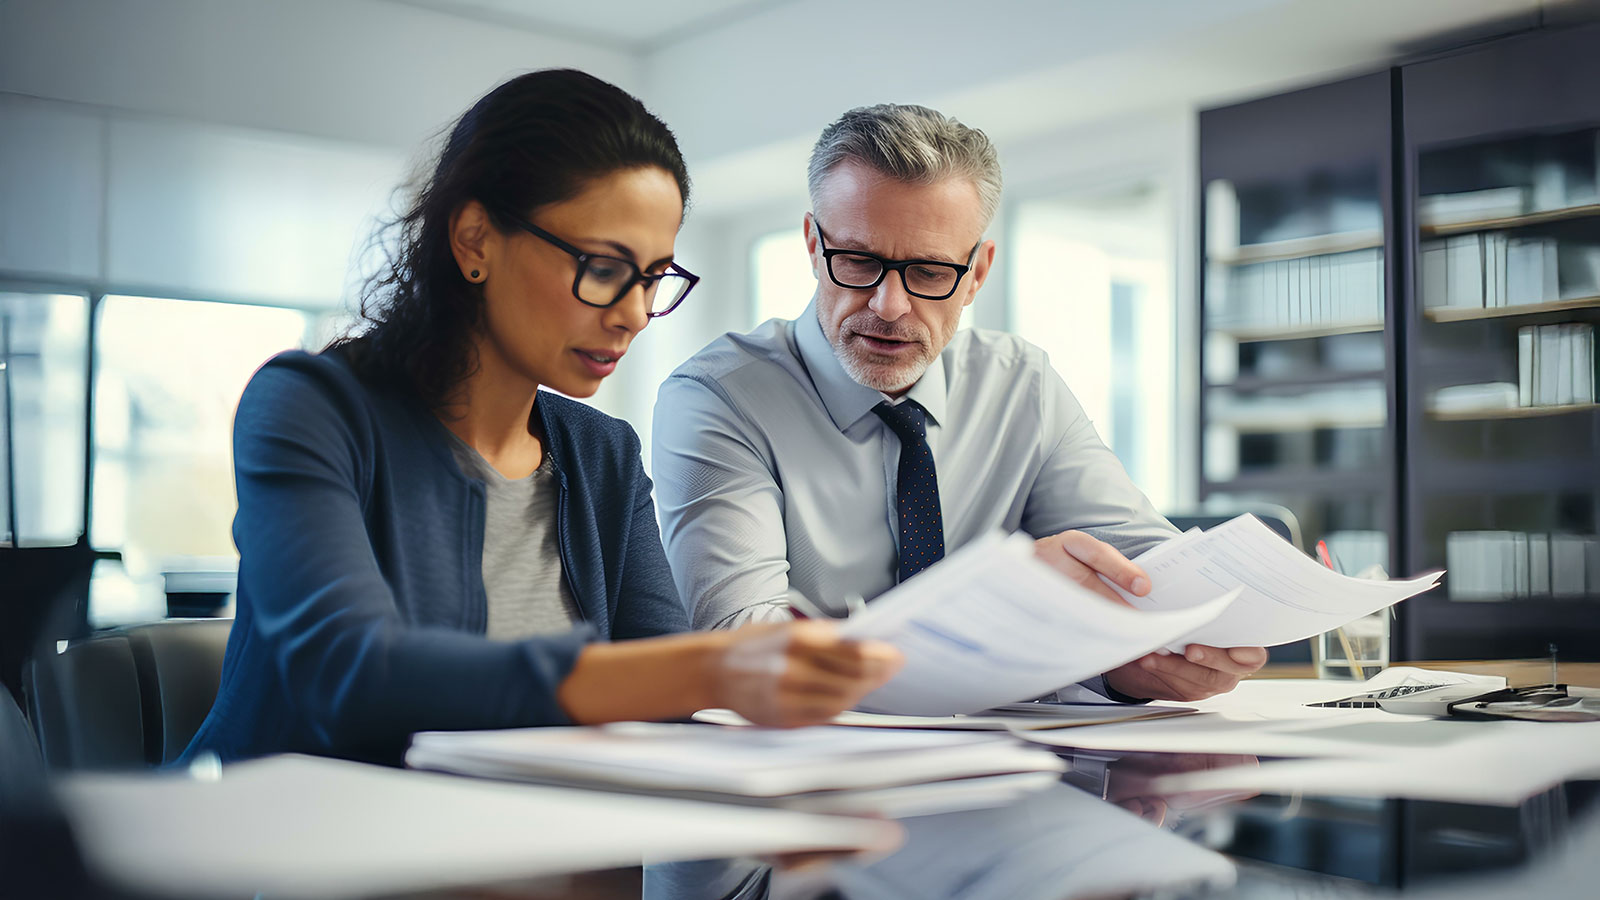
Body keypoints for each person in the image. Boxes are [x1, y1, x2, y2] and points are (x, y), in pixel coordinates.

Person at [179, 70, 900, 766]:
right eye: (604, 268)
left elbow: (664, 699)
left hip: (520, 836)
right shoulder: (311, 406)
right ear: (474, 240)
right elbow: (352, 676)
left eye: (654, 278)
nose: (634, 314)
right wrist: (712, 667)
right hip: (275, 836)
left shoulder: (601, 454)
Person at [651, 103, 1265, 703]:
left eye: (929, 272)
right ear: (813, 245)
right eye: (858, 261)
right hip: (808, 760)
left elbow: (1146, 569)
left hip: (1006, 757)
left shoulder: (1021, 384)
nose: (890, 306)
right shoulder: (719, 397)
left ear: (977, 273)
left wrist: (1137, 665)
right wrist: (1005, 604)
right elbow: (743, 643)